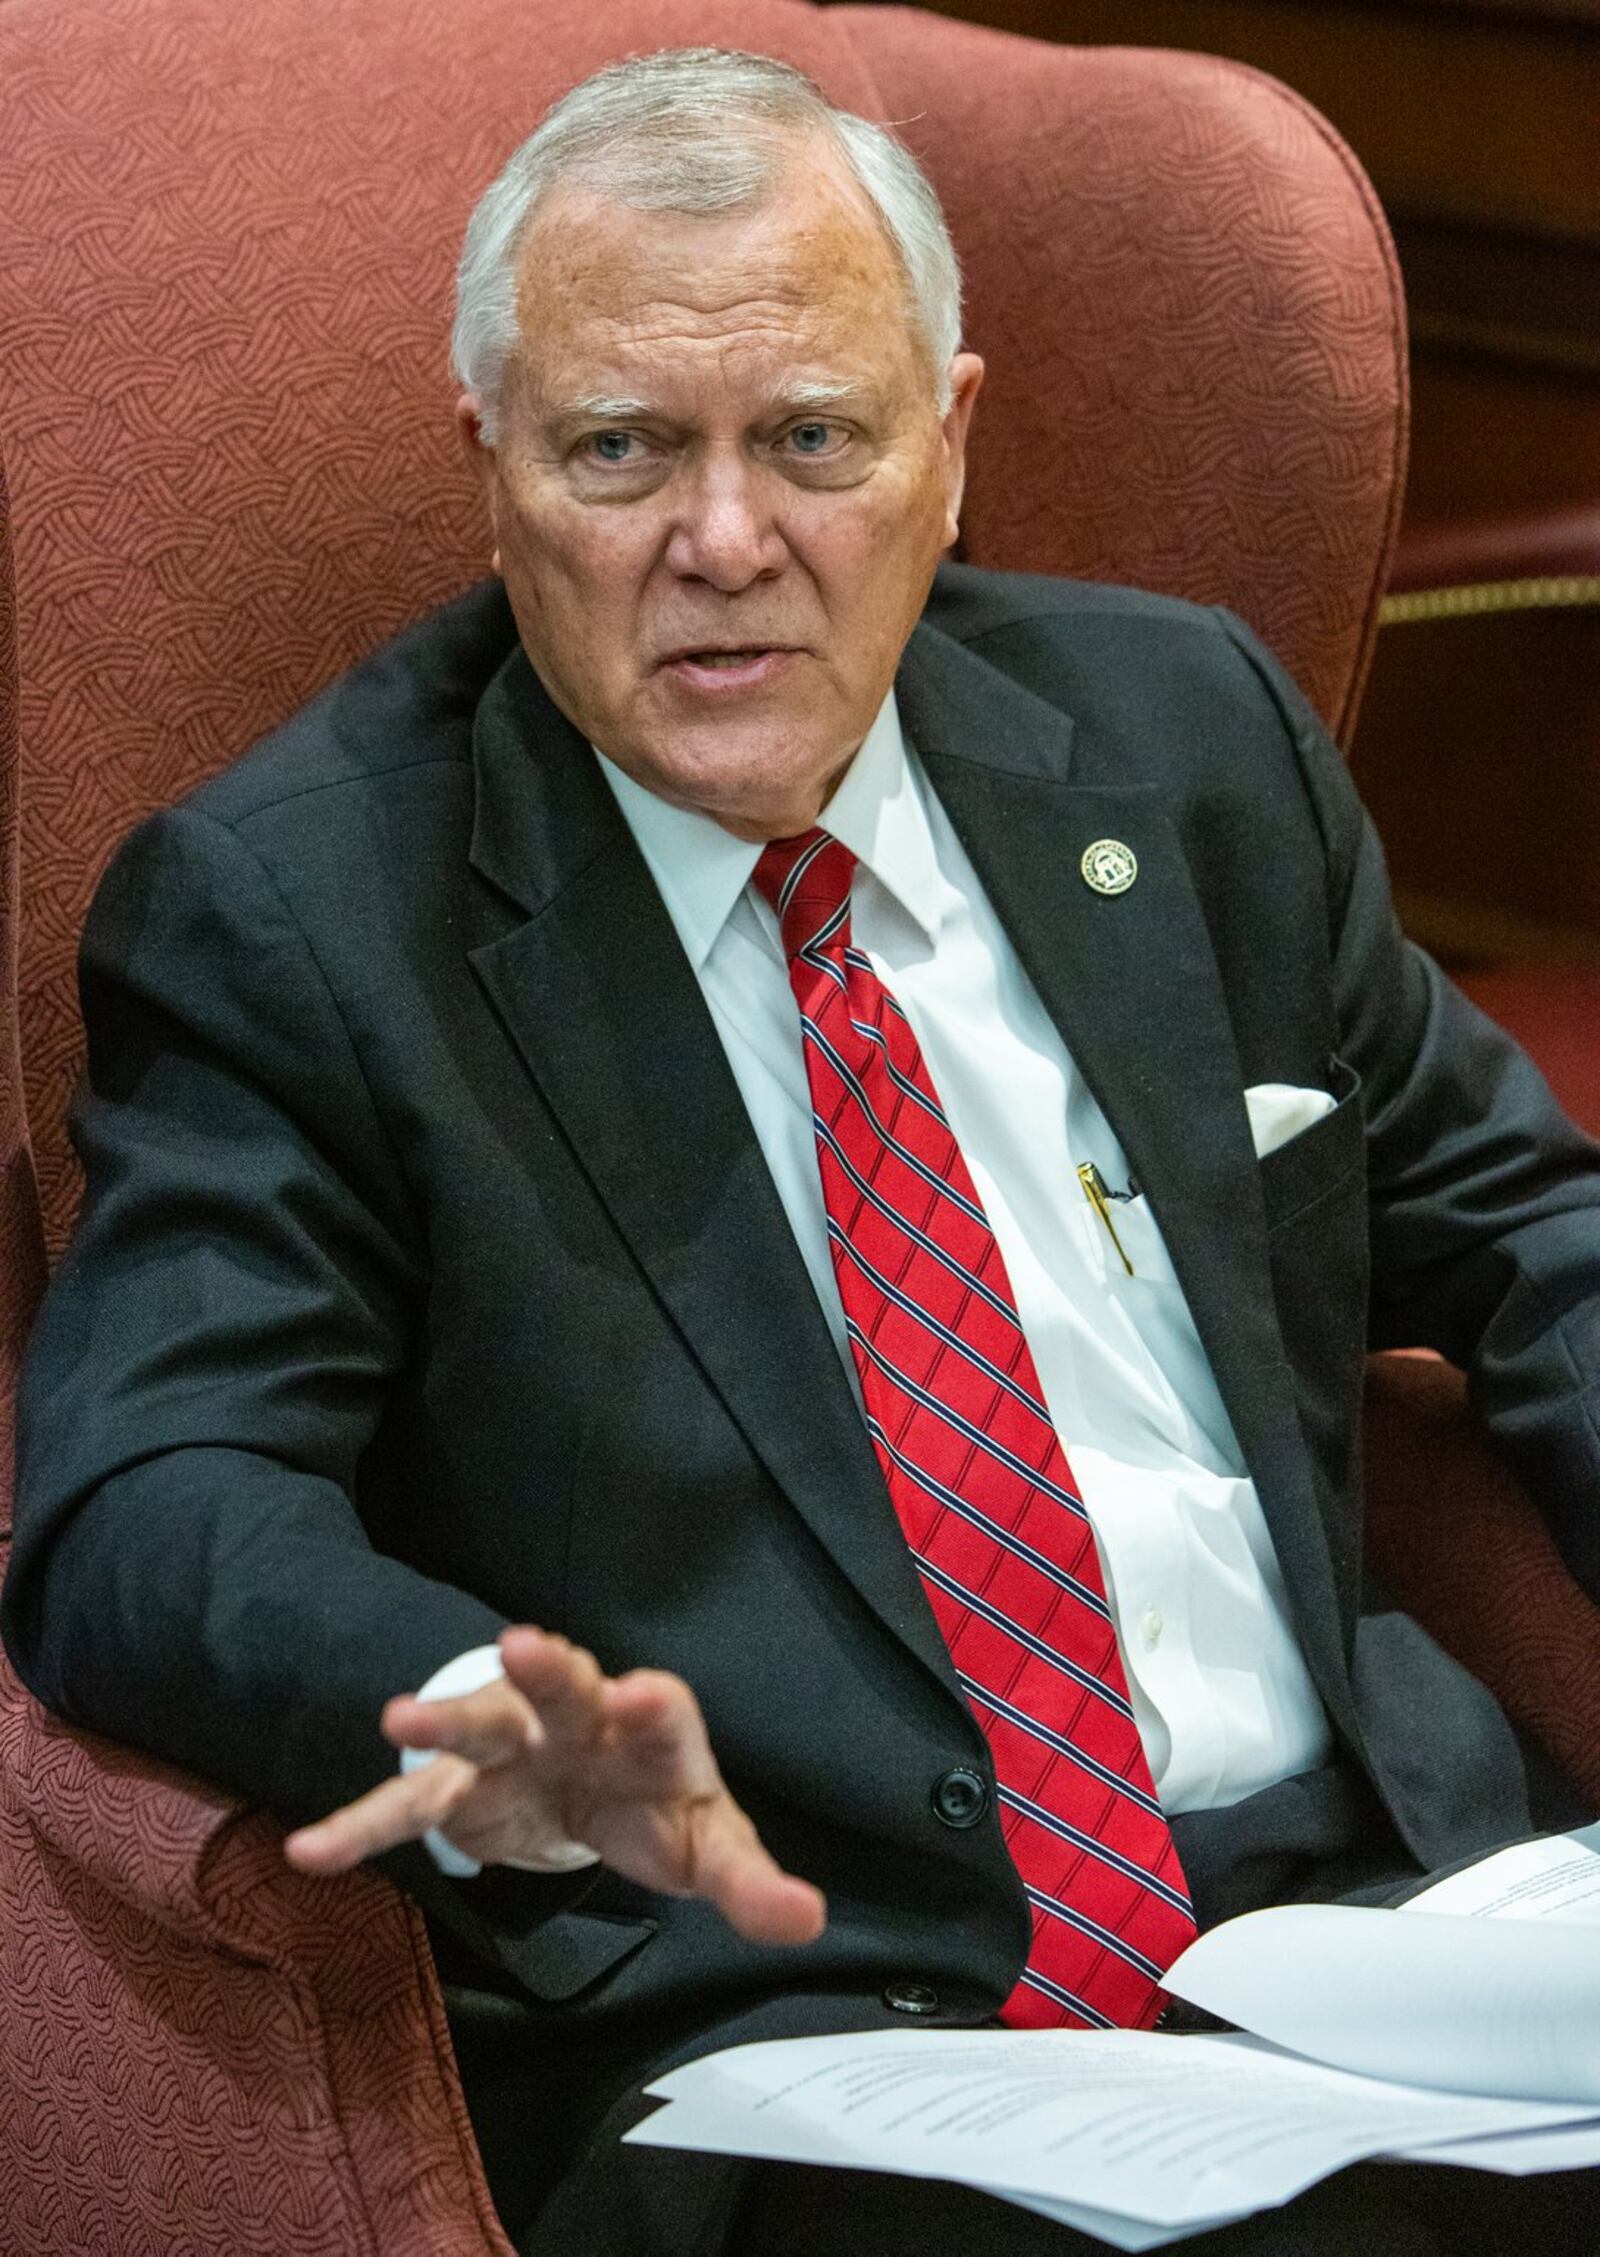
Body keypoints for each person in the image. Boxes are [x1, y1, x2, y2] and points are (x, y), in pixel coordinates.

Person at [5, 45, 1599, 2256]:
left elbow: (1532, 1244)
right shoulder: (302, 918)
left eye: (815, 441)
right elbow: (138, 1496)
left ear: (951, 441)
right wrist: (467, 1698)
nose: (724, 540)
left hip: (1378, 1943)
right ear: (494, 469)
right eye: (621, 449)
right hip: (820, 2018)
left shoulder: (1179, 741)